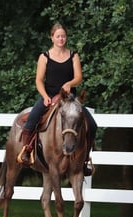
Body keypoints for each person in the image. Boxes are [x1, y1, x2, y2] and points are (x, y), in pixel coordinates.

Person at [18, 23, 97, 176]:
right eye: (58, 36)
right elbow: (39, 80)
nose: (61, 39)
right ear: (52, 37)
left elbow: (79, 77)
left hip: (70, 99)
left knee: (92, 124)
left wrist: (70, 83)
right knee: (31, 119)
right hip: (50, 96)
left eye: (63, 36)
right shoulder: (44, 57)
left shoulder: (73, 55)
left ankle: (85, 159)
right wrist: (45, 96)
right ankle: (27, 151)